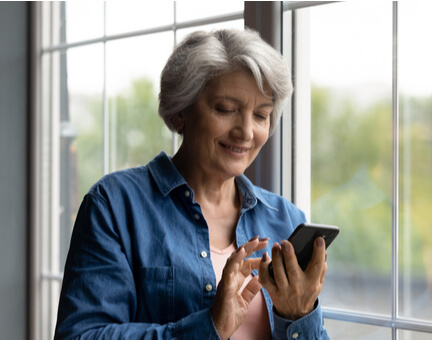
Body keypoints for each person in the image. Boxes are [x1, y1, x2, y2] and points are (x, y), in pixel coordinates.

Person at [55, 28, 330, 340]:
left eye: (261, 116)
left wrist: (299, 317)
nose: (246, 131)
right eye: (226, 110)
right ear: (180, 112)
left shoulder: (286, 219)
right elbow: (79, 336)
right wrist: (209, 327)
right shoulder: (114, 206)